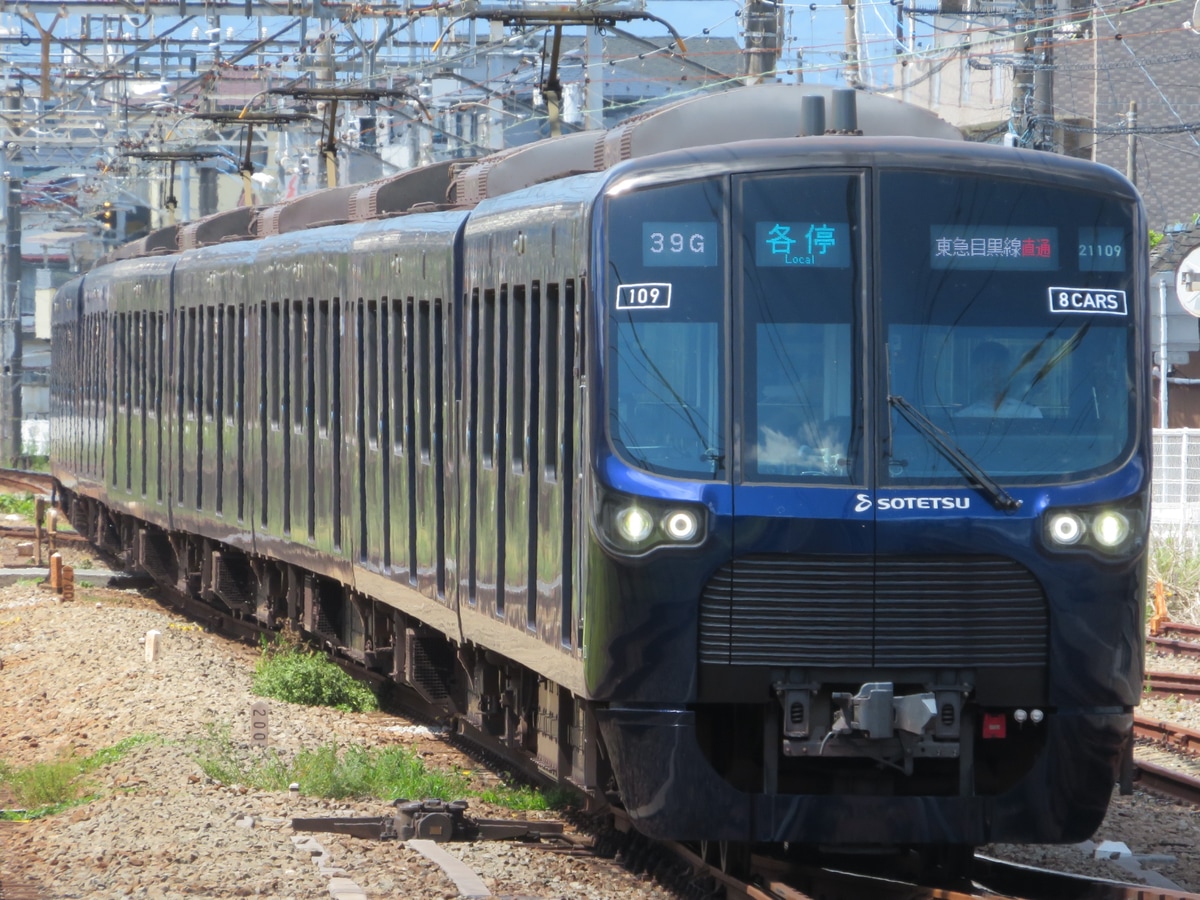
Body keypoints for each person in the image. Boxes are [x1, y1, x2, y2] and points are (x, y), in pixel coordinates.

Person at [955, 341, 1042, 419]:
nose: (991, 377)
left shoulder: (1029, 413)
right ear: (977, 374)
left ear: (1006, 371)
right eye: (986, 370)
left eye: (996, 369)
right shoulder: (963, 416)